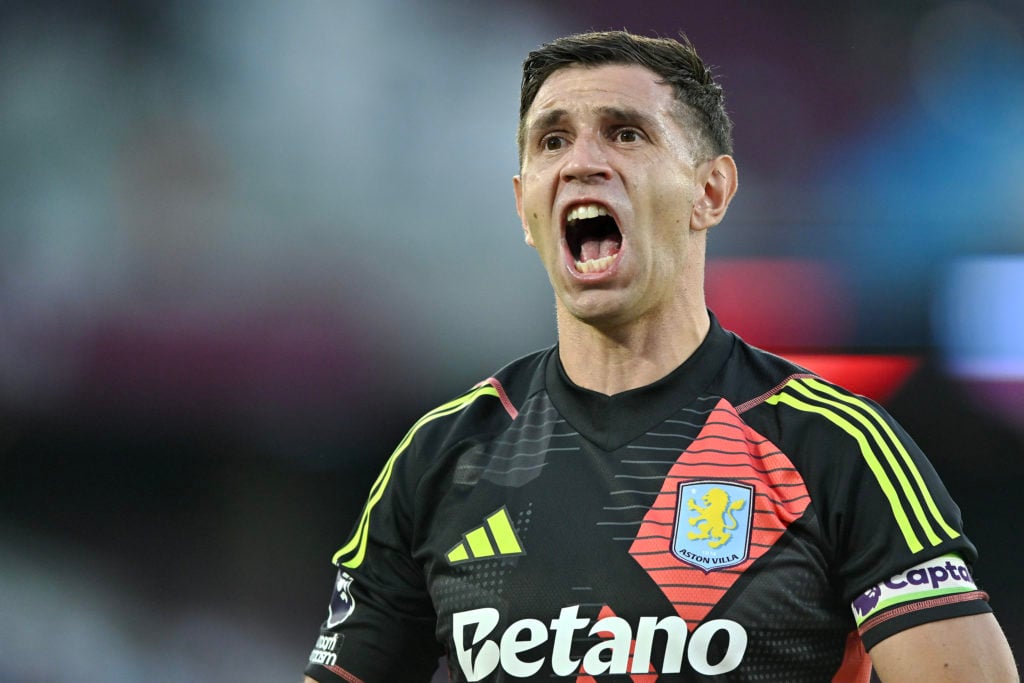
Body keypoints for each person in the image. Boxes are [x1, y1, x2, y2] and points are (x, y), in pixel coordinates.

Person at [303, 30, 1018, 682]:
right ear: (524, 205)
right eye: (552, 141)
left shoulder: (832, 444)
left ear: (710, 191)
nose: (583, 161)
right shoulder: (442, 457)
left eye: (626, 134)